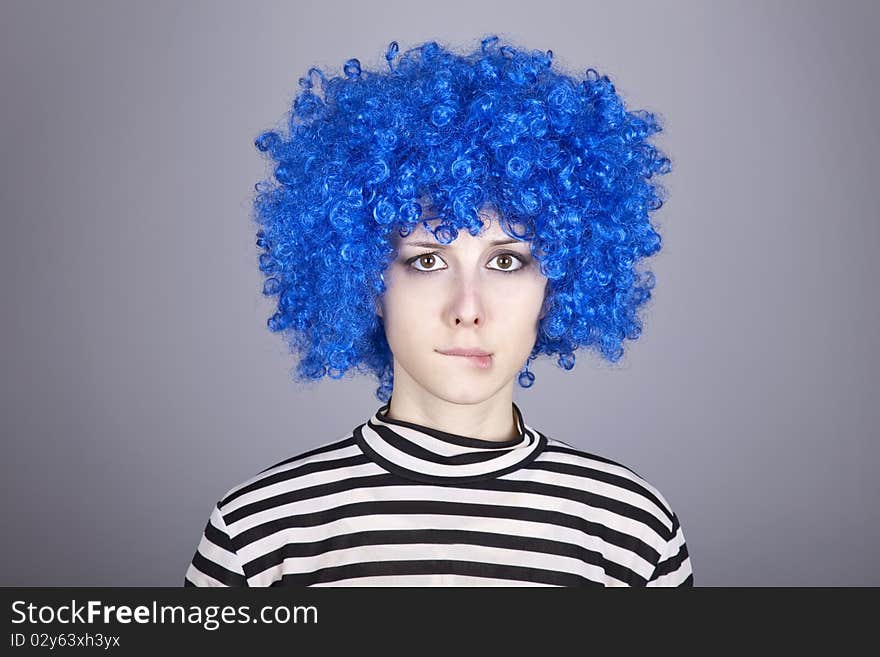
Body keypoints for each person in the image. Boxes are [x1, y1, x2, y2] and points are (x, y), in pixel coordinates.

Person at [184, 35, 693, 586]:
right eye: (427, 261)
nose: (467, 309)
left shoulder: (630, 531)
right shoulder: (260, 533)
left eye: (506, 262)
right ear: (367, 282)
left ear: (560, 281)